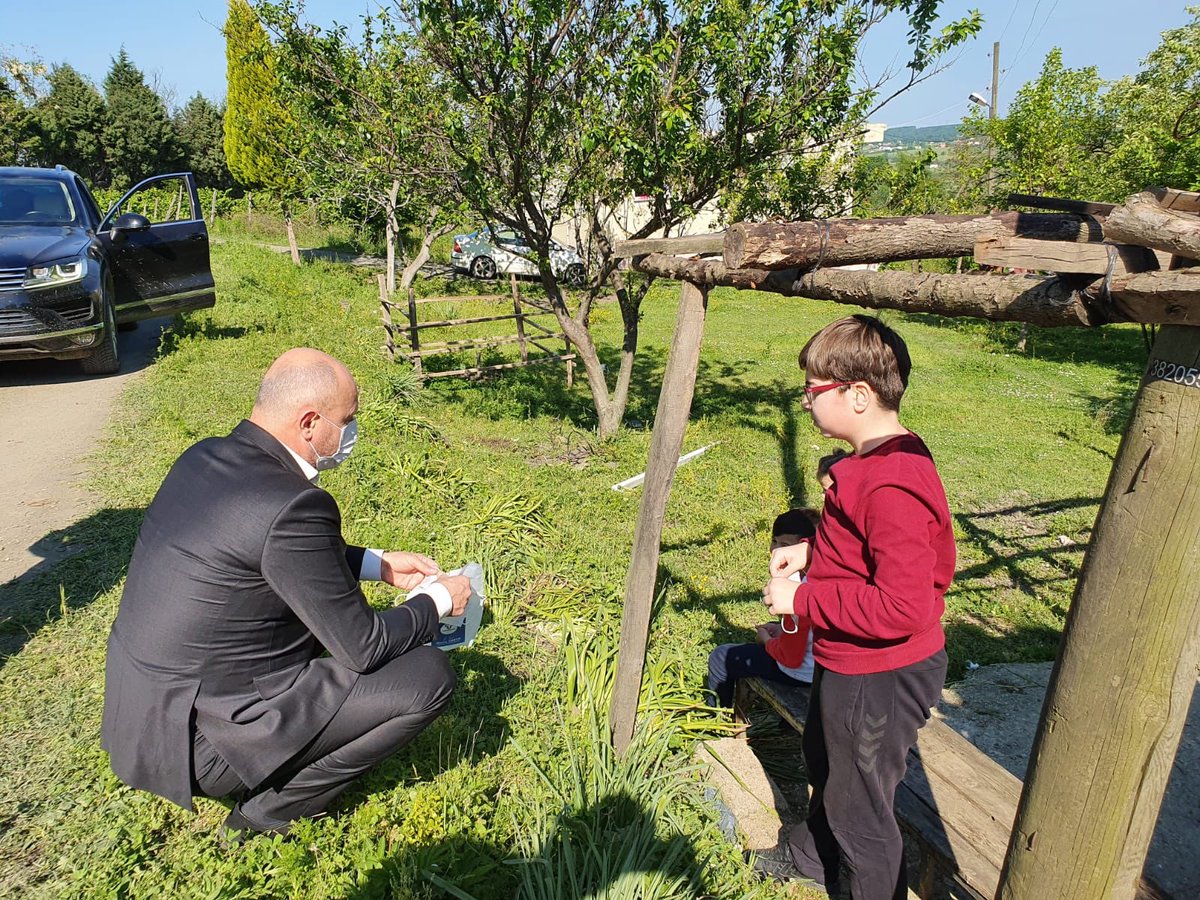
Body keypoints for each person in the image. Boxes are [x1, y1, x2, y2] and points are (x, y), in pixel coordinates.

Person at [101, 348, 471, 840]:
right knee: (428, 675)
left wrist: (375, 563)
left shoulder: (203, 457)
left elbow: (263, 551)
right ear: (310, 423)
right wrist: (438, 601)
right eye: (349, 419)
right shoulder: (295, 503)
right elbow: (363, 647)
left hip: (144, 717)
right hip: (209, 742)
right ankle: (266, 813)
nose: (352, 430)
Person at [759, 315, 955, 900]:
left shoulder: (892, 481)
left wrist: (804, 598)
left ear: (859, 396)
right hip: (851, 661)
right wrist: (811, 553)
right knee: (827, 761)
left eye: (813, 392)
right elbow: (863, 548)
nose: (805, 402)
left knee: (861, 811)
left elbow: (903, 604)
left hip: (881, 673)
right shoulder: (872, 461)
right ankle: (813, 858)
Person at [706, 509, 819, 708]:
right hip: (819, 668)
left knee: (720, 656)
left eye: (784, 545)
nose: (776, 550)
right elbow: (803, 631)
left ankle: (716, 716)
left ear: (803, 546)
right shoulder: (819, 577)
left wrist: (766, 641)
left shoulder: (792, 587)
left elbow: (790, 658)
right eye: (774, 542)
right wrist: (780, 629)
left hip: (801, 674)